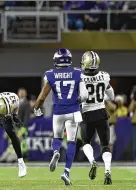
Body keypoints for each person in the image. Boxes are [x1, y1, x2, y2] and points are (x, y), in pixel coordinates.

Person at [33, 48, 88, 186]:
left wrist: (36, 108)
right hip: (73, 111)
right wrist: (77, 101)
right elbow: (85, 95)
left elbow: (42, 97)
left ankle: (56, 151)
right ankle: (66, 172)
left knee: (56, 137)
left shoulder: (50, 74)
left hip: (58, 112)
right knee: (71, 142)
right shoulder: (77, 73)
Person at [80, 51, 115, 185]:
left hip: (87, 114)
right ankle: (107, 171)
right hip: (101, 113)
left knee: (86, 143)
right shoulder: (104, 76)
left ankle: (92, 161)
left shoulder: (80, 77)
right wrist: (100, 97)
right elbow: (111, 97)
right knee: (105, 145)